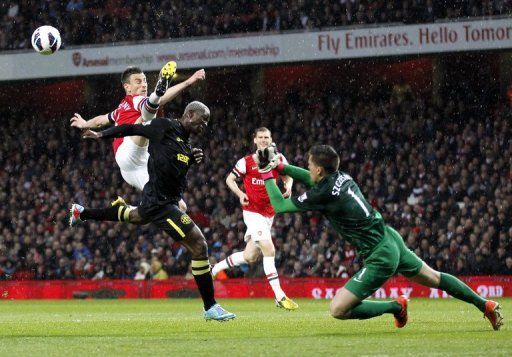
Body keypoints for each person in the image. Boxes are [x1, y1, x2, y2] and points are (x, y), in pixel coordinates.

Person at [258, 144, 503, 330]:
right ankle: (485, 304)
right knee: (435, 278)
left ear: (320, 169)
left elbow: (279, 205)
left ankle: (395, 306)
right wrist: (280, 167)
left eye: (310, 165)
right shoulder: (340, 177)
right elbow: (309, 178)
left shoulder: (322, 193)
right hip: (390, 237)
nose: (308, 169)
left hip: (380, 254)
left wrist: (266, 173)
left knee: (338, 309)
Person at [69, 101, 235, 321]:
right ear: (190, 114)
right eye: (202, 119)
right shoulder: (164, 126)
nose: (204, 124)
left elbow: (173, 171)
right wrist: (101, 135)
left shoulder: (185, 144)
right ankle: (210, 307)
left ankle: (83, 213)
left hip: (162, 201)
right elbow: (131, 128)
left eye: (207, 122)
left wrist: (190, 161)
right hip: (161, 203)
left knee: (134, 216)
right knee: (199, 245)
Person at [70, 62, 205, 210]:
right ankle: (157, 93)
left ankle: (124, 211)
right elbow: (102, 120)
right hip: (129, 151)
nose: (144, 84)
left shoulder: (121, 108)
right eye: (138, 81)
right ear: (127, 87)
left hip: (133, 169)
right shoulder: (136, 100)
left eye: (145, 81)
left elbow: (101, 119)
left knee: (179, 206)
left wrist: (84, 124)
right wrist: (188, 81)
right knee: (145, 119)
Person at [211, 127, 298, 310]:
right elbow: (229, 179)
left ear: (271, 139)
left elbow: (288, 176)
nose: (264, 140)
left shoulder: (278, 159)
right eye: (261, 137)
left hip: (269, 214)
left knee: (250, 256)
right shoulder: (246, 162)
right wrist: (240, 193)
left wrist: (288, 187)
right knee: (269, 248)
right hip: (252, 212)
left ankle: (216, 268)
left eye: (267, 137)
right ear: (255, 140)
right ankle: (279, 296)